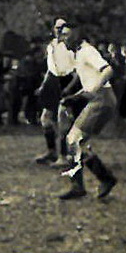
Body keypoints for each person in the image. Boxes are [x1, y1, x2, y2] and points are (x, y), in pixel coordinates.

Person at [57, 22, 120, 201]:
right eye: (61, 35)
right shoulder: (78, 53)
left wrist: (92, 90)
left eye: (67, 34)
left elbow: (108, 70)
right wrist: (76, 96)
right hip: (100, 98)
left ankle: (90, 183)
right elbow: (89, 80)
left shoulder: (87, 51)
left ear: (77, 34)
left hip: (102, 99)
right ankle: (100, 180)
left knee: (73, 140)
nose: (63, 39)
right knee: (78, 143)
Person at [29, 19, 77, 166]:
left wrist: (69, 88)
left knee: (63, 121)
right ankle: (51, 151)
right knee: (46, 119)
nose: (58, 30)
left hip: (67, 81)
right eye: (57, 27)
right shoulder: (51, 46)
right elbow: (51, 69)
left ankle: (65, 156)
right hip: (53, 82)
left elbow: (76, 71)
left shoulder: (70, 47)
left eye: (62, 28)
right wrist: (43, 86)